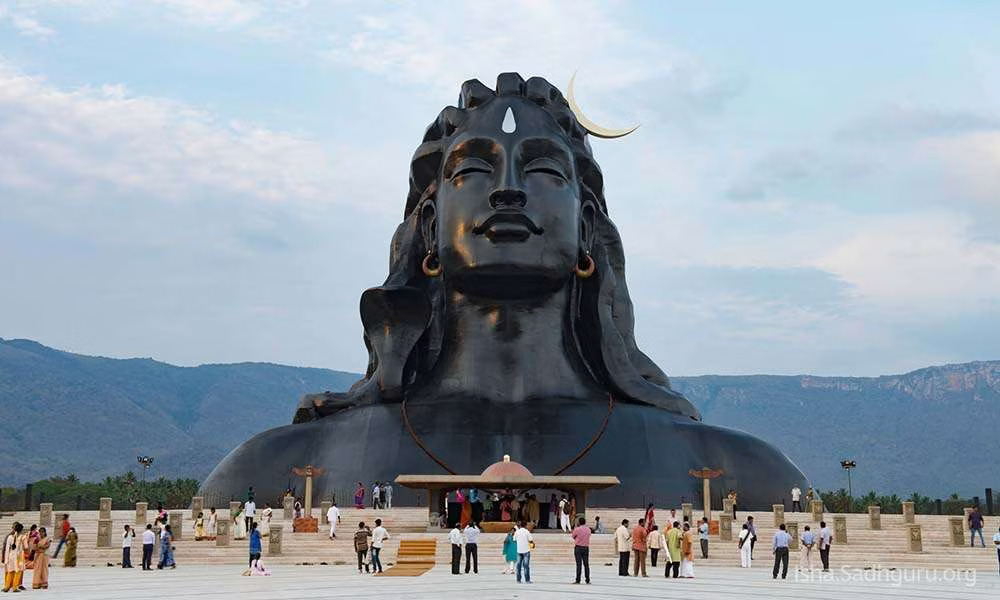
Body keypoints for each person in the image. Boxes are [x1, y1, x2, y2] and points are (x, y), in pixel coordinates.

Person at [568, 516, 591, 584]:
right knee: (586, 564)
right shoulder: (588, 529)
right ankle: (587, 579)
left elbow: (573, 536)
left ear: (579, 522)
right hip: (586, 548)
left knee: (579, 564)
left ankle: (578, 579)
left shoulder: (577, 529)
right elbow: (589, 536)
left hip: (578, 547)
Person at [3, 522, 24, 592]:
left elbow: (7, 549)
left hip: (10, 556)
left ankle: (7, 587)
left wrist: (6, 559)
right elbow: (23, 548)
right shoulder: (21, 537)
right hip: (18, 557)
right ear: (21, 530)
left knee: (10, 571)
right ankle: (14, 587)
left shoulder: (9, 537)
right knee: (18, 572)